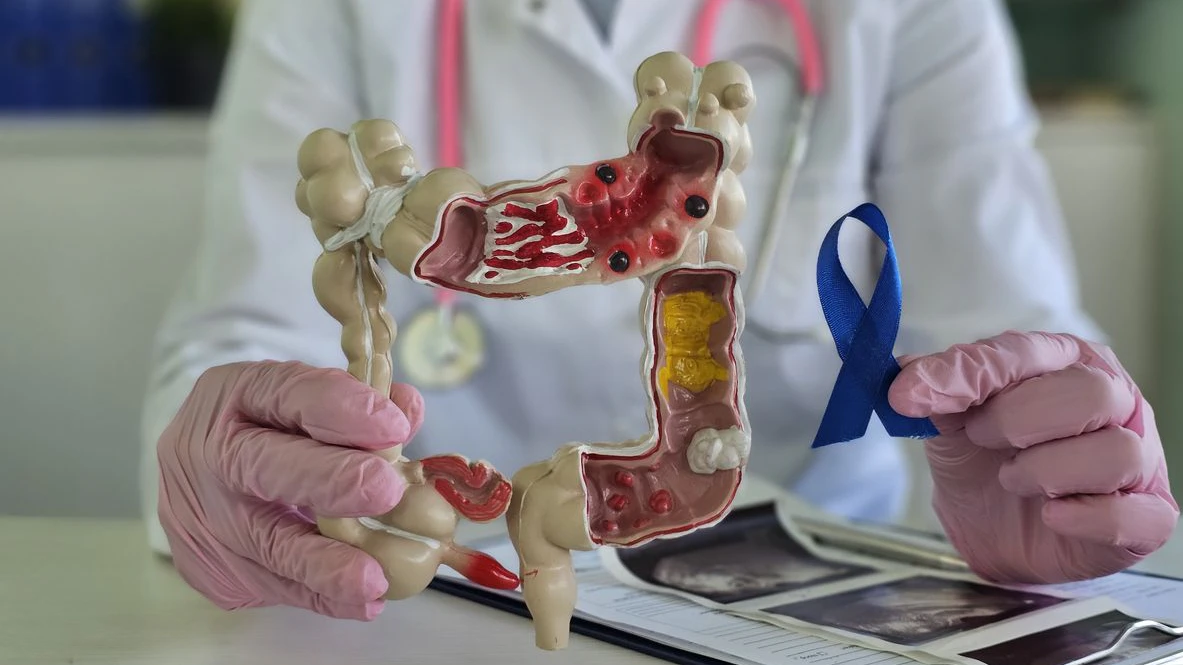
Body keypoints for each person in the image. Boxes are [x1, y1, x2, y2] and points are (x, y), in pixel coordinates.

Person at [142, 0, 1178, 622]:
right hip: (435, 590)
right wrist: (228, 453)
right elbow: (256, 325)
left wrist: (1048, 446)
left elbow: (1009, 334)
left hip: (810, 588)